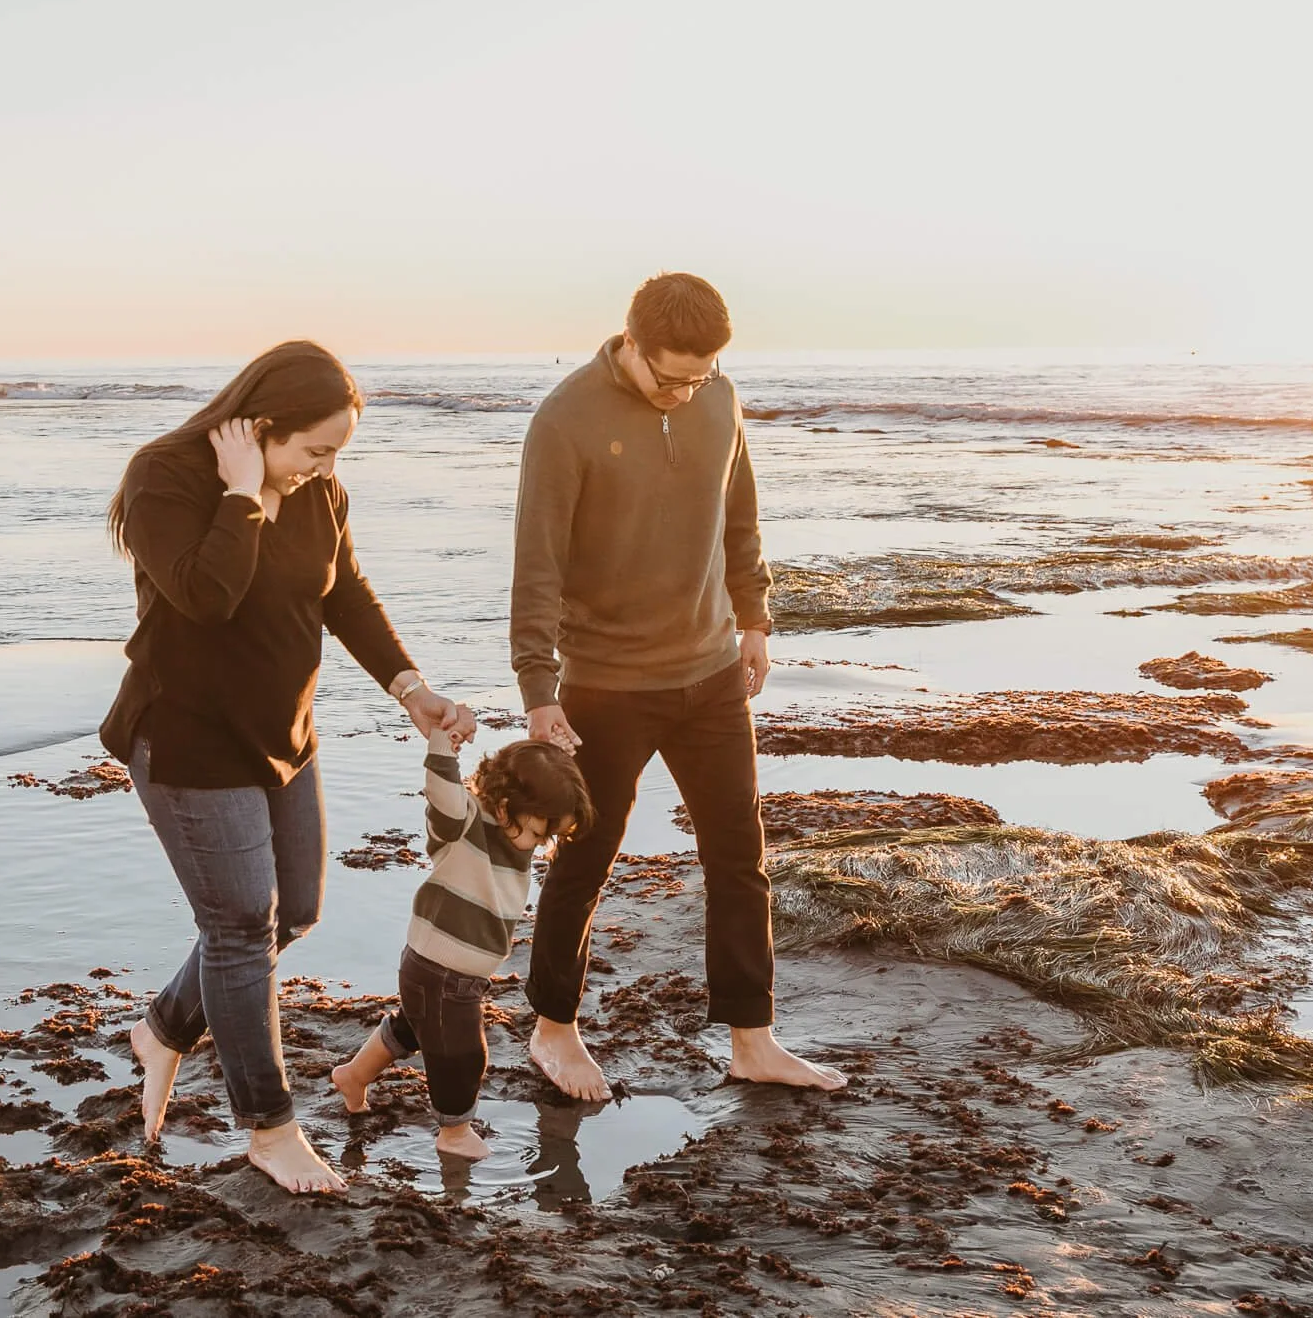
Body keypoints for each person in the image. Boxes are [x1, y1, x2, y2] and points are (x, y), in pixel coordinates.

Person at [102, 340, 473, 1194]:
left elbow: (344, 591)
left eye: (337, 453)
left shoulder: (318, 490)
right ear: (261, 427)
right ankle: (269, 1129)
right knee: (240, 925)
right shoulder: (166, 477)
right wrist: (243, 495)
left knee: (293, 911)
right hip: (190, 740)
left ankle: (163, 1028)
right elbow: (206, 596)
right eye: (314, 449)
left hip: (284, 736)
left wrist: (411, 688)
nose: (326, 469)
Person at [510, 272, 847, 1100]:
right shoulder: (565, 420)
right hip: (608, 686)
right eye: (671, 378)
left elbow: (740, 516)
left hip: (711, 671)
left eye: (701, 376)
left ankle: (752, 1038)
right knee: (586, 858)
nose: (686, 391)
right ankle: (553, 1029)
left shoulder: (718, 397)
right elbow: (537, 565)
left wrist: (754, 616)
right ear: (632, 343)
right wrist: (539, 690)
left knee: (739, 856)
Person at [329, 720, 594, 1159]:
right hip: (441, 971)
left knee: (413, 1027)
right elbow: (442, 795)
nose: (538, 844)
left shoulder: (516, 827)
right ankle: (454, 1133)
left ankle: (354, 1075)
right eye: (537, 832)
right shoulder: (463, 824)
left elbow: (540, 781)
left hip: (443, 971)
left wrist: (556, 756)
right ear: (505, 807)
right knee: (463, 1055)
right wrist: (442, 745)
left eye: (548, 837)